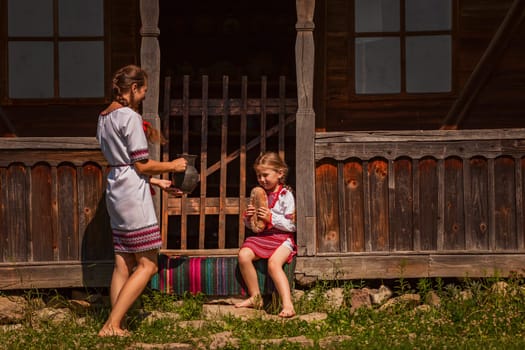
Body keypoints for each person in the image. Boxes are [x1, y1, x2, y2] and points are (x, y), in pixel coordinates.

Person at [96, 64, 187, 337]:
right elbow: (141, 164)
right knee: (148, 264)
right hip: (132, 194)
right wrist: (172, 165)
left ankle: (118, 323)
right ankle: (111, 324)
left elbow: (123, 163)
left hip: (116, 187)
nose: (144, 96)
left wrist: (157, 182)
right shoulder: (129, 117)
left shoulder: (103, 117)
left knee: (123, 261)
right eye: (143, 91)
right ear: (133, 88)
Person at [235, 151, 297, 318]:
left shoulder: (285, 195)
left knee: (273, 264)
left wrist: (271, 217)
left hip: (283, 238)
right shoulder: (258, 194)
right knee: (243, 255)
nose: (262, 179)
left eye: (265, 175)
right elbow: (256, 227)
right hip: (263, 237)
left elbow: (292, 225)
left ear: (280, 173)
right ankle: (255, 296)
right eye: (258, 175)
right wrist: (249, 218)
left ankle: (288, 304)